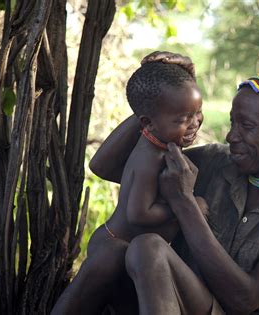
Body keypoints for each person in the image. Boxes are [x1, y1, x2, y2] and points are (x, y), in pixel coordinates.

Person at [91, 52, 259, 314]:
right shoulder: (217, 163)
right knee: (122, 251)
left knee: (150, 249)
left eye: (247, 126)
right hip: (177, 305)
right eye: (232, 122)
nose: (231, 136)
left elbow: (244, 300)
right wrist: (162, 106)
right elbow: (107, 167)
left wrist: (185, 203)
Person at [52, 58, 206, 314]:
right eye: (183, 119)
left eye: (197, 113)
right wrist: (187, 205)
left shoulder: (161, 144)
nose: (194, 123)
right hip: (114, 243)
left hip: (129, 247)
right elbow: (138, 213)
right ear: (147, 123)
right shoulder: (150, 158)